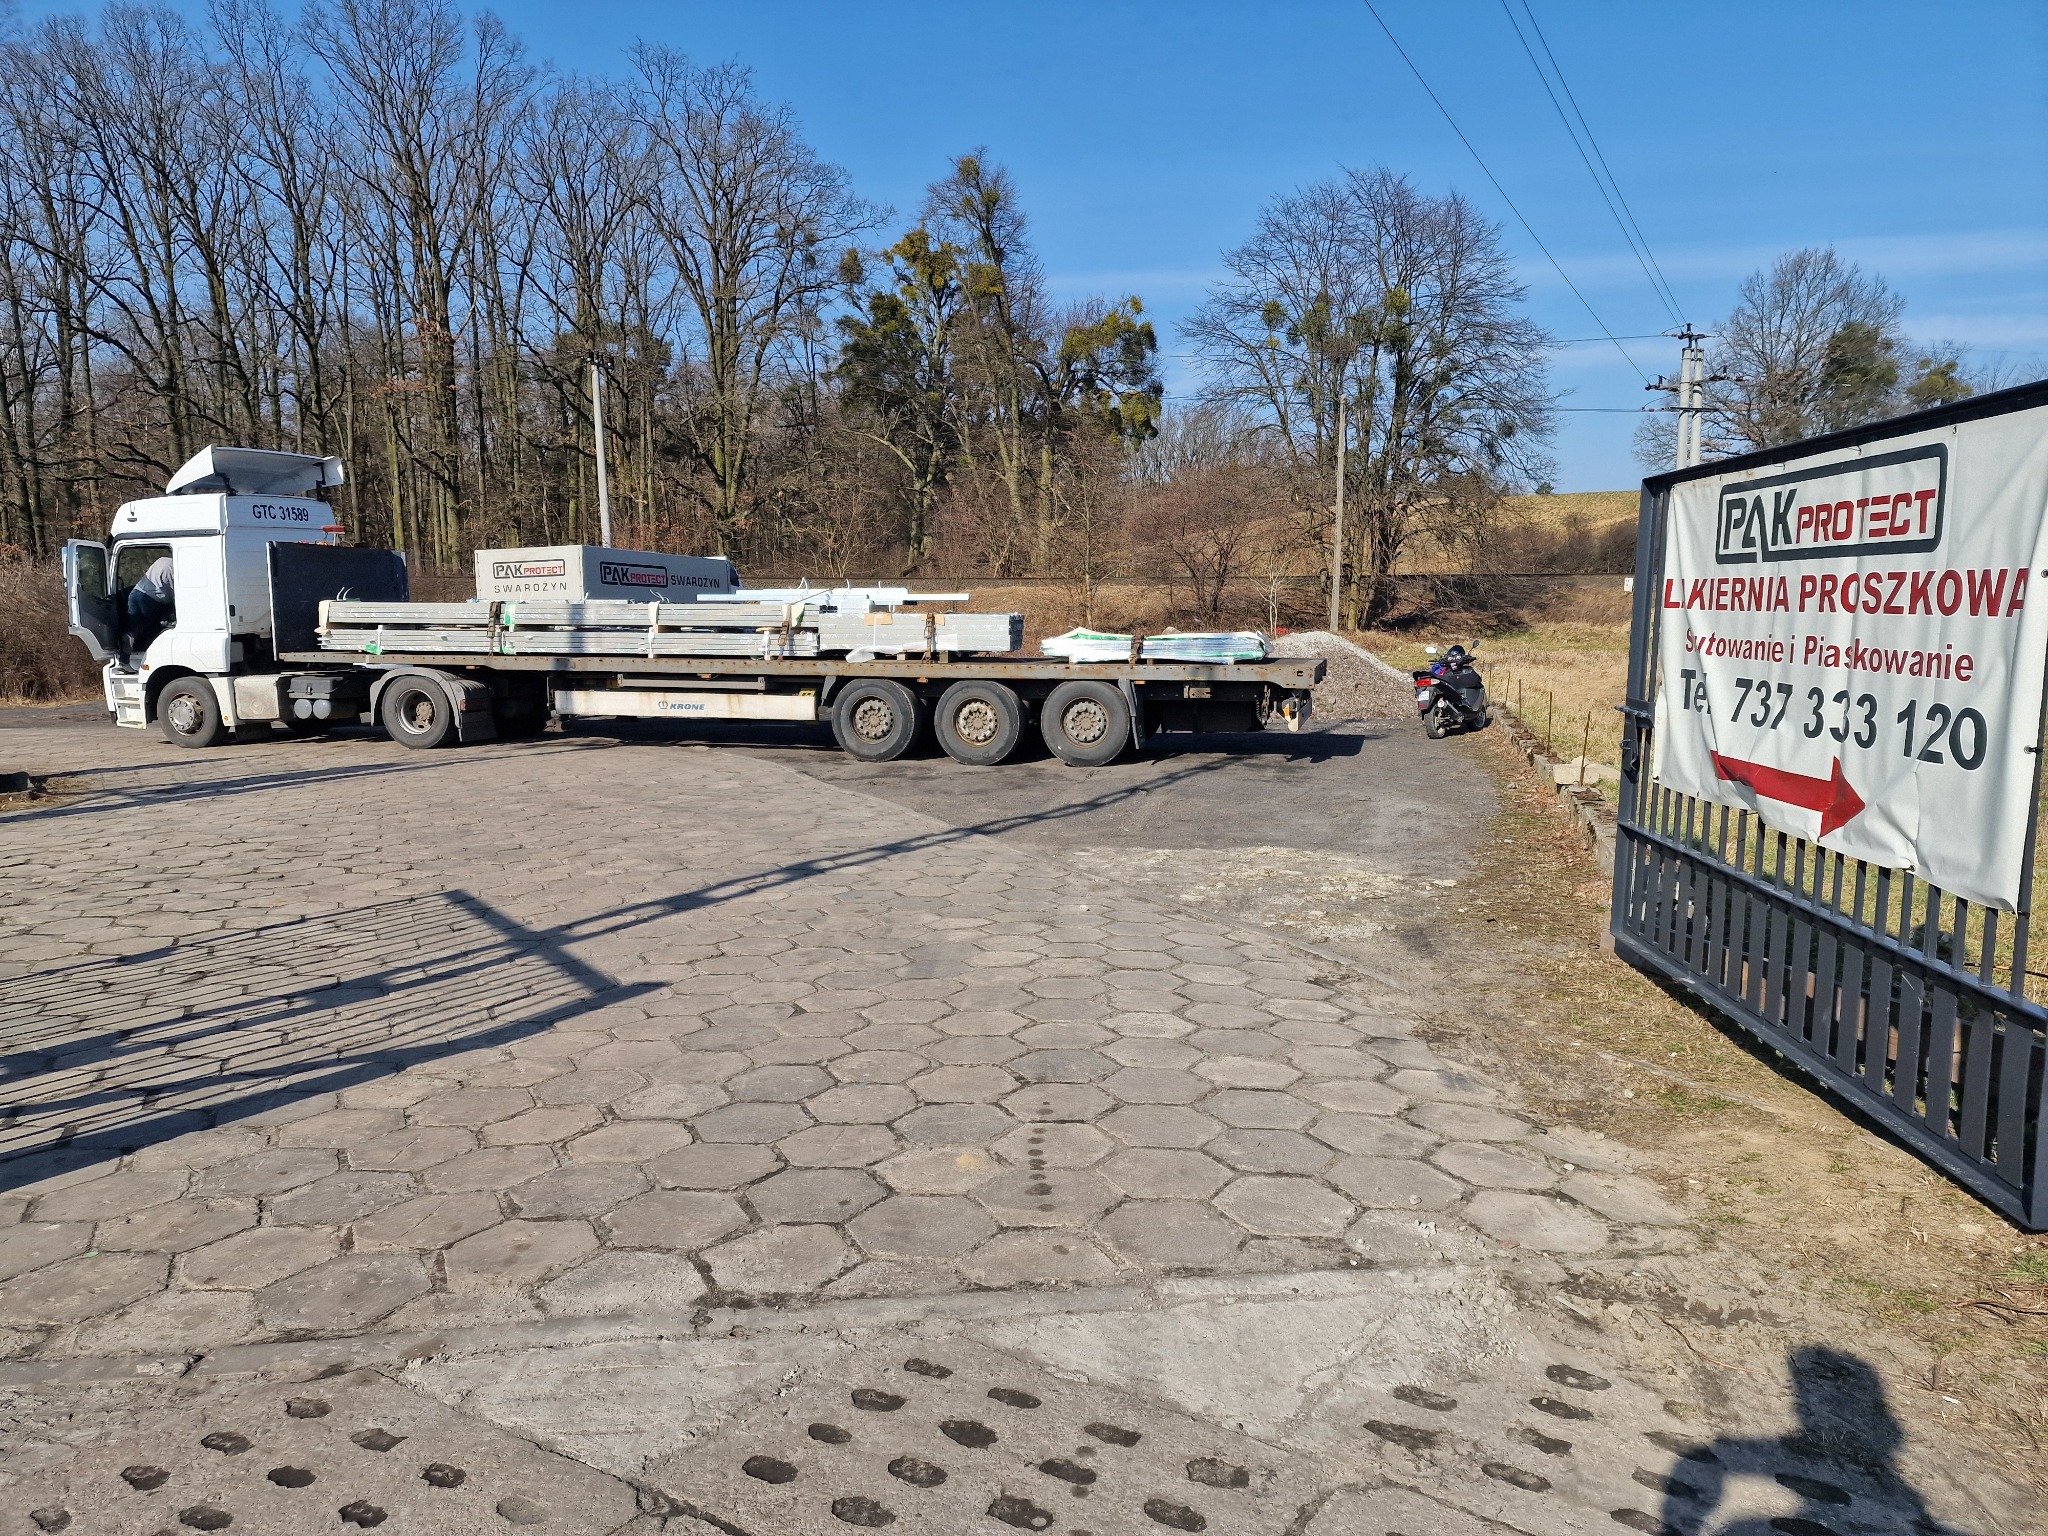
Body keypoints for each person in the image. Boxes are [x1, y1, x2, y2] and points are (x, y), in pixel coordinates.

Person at [127, 554, 175, 653]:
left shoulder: (161, 559)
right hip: (151, 599)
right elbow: (176, 592)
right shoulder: (177, 568)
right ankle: (148, 653)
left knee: (134, 627)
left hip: (135, 593)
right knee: (153, 627)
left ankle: (126, 658)